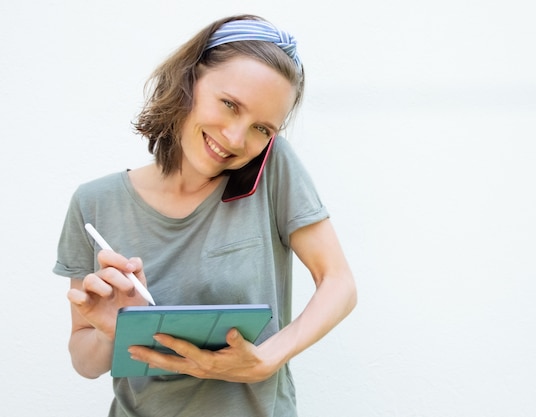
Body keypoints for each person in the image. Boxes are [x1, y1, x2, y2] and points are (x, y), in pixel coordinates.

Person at [53, 14, 357, 417]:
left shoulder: (273, 169)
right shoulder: (94, 203)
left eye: (262, 128)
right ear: (190, 78)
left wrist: (268, 358)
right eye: (229, 104)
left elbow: (339, 283)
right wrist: (114, 331)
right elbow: (84, 361)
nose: (236, 139)